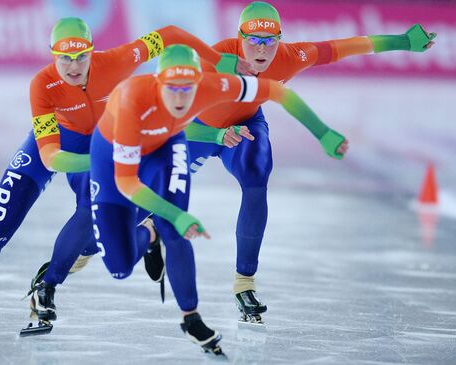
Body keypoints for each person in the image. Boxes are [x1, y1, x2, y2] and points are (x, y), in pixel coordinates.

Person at [0, 17, 254, 331]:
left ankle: (47, 287)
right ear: (53, 56)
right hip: (56, 148)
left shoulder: (116, 61)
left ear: (92, 52)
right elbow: (50, 157)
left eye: (81, 56)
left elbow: (168, 34)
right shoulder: (42, 84)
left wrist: (218, 61)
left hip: (99, 143)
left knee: (95, 225)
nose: (73, 66)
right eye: (64, 58)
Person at [183, 1, 437, 323]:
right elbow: (173, 118)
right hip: (198, 129)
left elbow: (347, 46)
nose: (261, 50)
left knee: (257, 176)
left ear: (280, 39)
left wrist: (402, 41)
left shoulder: (290, 57)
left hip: (246, 125)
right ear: (238, 38)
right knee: (154, 198)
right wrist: (216, 137)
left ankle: (244, 283)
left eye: (270, 41)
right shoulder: (216, 58)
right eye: (253, 41)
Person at [89, 44, 348, 353]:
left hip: (168, 144)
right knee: (119, 267)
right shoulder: (132, 100)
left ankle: (191, 317)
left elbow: (279, 92)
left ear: (200, 83)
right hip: (115, 158)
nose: (182, 99)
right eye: (173, 90)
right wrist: (175, 213)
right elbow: (127, 181)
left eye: (189, 90)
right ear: (158, 84)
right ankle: (150, 231)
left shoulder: (215, 86)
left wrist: (322, 133)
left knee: (176, 229)